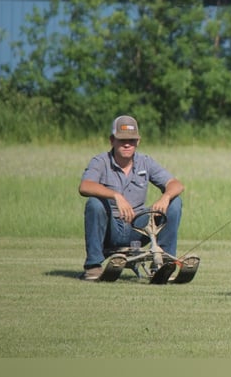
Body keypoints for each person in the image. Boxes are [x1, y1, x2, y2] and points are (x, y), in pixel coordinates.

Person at [78, 115, 185, 281]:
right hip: (110, 228)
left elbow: (176, 184)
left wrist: (165, 197)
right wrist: (116, 196)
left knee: (175, 202)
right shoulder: (100, 162)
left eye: (131, 140)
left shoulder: (145, 162)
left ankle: (164, 263)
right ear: (112, 140)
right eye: (122, 140)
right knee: (94, 204)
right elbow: (85, 186)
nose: (127, 144)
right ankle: (93, 266)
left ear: (138, 141)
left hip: (139, 228)